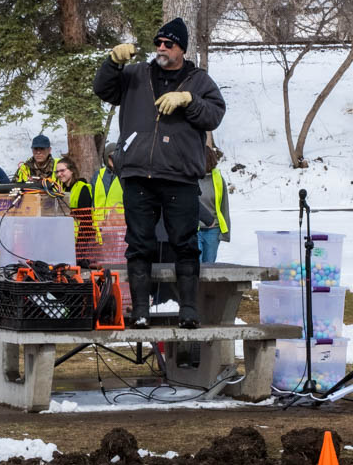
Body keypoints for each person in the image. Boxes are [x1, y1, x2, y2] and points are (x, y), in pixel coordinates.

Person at [94, 17, 226, 329]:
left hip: (180, 175)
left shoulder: (199, 81)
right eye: (158, 43)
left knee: (185, 243)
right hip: (139, 173)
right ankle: (141, 310)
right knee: (139, 243)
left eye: (169, 44)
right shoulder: (137, 74)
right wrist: (112, 62)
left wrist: (188, 100)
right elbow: (103, 89)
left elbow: (214, 115)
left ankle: (189, 309)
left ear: (182, 48)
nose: (161, 48)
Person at [54, 154, 96, 262]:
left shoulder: (82, 188)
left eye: (62, 170)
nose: (59, 174)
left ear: (71, 170)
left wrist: (80, 249)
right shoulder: (59, 190)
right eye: (57, 172)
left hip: (79, 243)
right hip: (64, 242)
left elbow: (86, 222)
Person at [197, 145, 230, 263]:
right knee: (196, 265)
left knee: (209, 267)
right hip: (194, 229)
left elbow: (224, 207)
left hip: (213, 231)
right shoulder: (190, 178)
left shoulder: (218, 179)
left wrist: (225, 233)